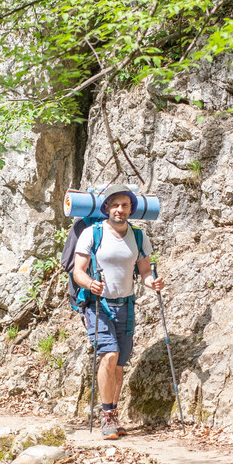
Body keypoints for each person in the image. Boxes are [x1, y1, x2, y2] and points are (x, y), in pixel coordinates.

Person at [72, 185, 164, 440]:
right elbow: (78, 271)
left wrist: (152, 282)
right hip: (97, 304)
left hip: (127, 304)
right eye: (115, 205)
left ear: (131, 209)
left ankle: (113, 412)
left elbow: (145, 271)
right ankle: (107, 415)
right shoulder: (93, 233)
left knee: (120, 366)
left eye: (124, 205)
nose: (119, 209)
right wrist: (90, 284)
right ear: (106, 208)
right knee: (109, 355)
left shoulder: (138, 236)